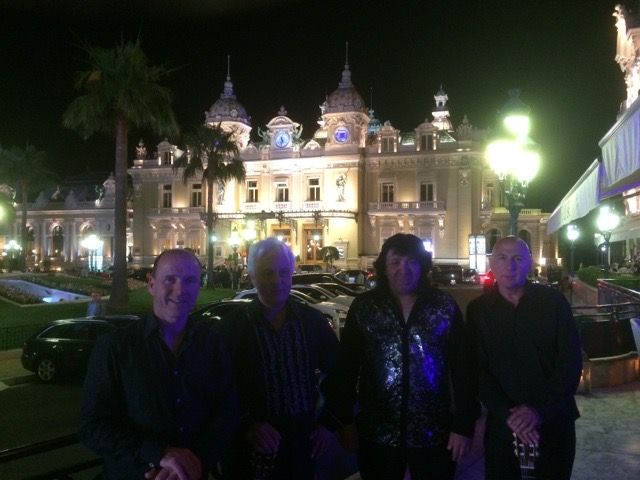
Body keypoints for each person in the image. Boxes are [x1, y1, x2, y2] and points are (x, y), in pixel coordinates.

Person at [322, 233, 479, 480]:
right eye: (395, 262)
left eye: (411, 261)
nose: (403, 269)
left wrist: (464, 425)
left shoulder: (443, 306)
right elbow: (347, 367)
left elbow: (463, 369)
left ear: (422, 266)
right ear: (384, 267)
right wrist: (344, 419)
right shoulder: (365, 308)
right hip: (377, 432)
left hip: (434, 432)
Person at [79, 248, 239, 480]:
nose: (180, 290)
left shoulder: (212, 344)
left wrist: (194, 461)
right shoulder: (115, 348)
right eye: (170, 279)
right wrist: (158, 454)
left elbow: (227, 413)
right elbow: (92, 426)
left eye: (190, 280)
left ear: (199, 286)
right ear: (151, 284)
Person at [219, 237, 340, 479]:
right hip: (251, 451)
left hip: (302, 446)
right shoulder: (232, 328)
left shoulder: (311, 322)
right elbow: (219, 388)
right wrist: (247, 425)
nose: (277, 280)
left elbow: (340, 373)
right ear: (252, 277)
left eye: (284, 272)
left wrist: (329, 424)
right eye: (268, 273)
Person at [466, 236, 582, 480]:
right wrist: (512, 416)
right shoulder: (478, 310)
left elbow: (570, 362)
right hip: (503, 426)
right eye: (502, 258)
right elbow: (477, 370)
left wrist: (538, 411)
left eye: (518, 258)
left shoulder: (554, 302)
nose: (510, 265)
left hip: (553, 422)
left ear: (530, 263)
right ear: (492, 264)